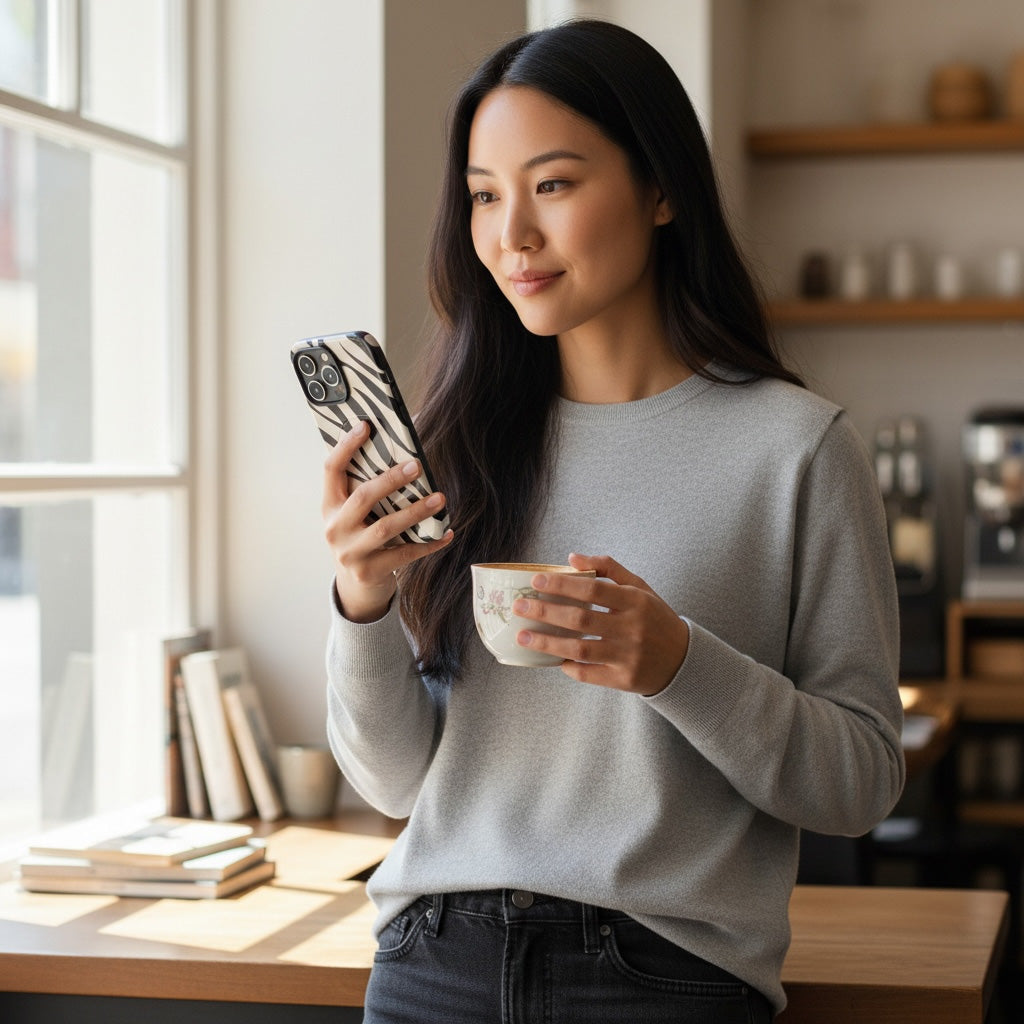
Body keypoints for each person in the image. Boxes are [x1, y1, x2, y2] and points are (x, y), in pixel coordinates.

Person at [320, 18, 904, 1023]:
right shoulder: (456, 445)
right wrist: (360, 604)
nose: (513, 235)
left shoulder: (797, 449)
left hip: (660, 976)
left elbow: (858, 782)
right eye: (483, 196)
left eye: (552, 184)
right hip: (431, 964)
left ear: (661, 189)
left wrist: (679, 661)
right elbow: (398, 781)